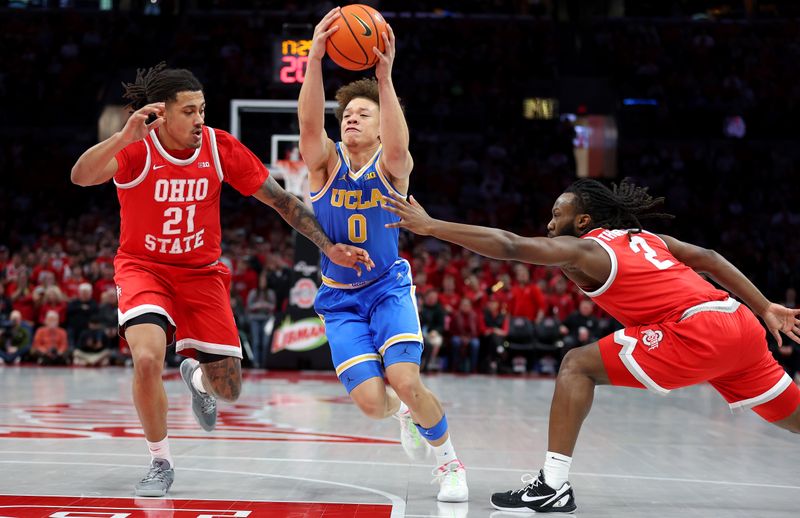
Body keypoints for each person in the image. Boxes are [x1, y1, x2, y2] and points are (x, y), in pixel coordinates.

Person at [383, 178, 800, 513]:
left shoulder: (586, 249)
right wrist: (764, 306)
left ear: (583, 221)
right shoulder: (647, 238)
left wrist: (432, 226)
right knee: (792, 416)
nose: (549, 224)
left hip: (697, 331)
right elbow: (708, 256)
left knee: (577, 365)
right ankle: (552, 486)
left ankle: (552, 486)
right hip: (739, 322)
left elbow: (511, 246)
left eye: (557, 214)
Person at [70, 62, 373, 498]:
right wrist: (123, 135)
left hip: (201, 274)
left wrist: (328, 246)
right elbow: (80, 176)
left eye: (202, 109)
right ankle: (160, 462)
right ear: (162, 114)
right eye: (189, 111)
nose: (199, 119)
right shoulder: (136, 149)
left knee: (228, 389)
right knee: (148, 359)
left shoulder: (219, 147)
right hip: (143, 268)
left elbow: (282, 201)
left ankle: (196, 379)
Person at [297, 8, 468, 502]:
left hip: (387, 288)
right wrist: (314, 58)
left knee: (406, 379)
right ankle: (405, 415)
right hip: (339, 298)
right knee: (374, 403)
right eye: (347, 114)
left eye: (364, 114)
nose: (352, 117)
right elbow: (309, 123)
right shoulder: (324, 164)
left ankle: (449, 463)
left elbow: (397, 142)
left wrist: (384, 79)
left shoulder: (392, 167)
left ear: (380, 127)